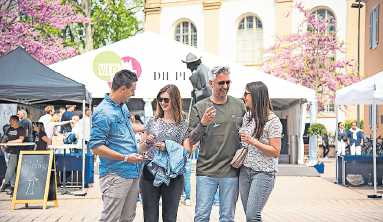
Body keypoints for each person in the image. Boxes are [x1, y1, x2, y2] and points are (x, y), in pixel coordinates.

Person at [188, 66, 246, 222]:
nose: (225, 86)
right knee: (201, 216)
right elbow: (191, 140)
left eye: (228, 82)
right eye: (221, 83)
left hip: (231, 172)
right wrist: (203, 123)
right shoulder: (200, 107)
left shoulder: (239, 105)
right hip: (206, 172)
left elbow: (248, 132)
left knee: (227, 217)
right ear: (211, 83)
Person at [88, 69, 143, 222]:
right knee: (110, 219)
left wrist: (147, 128)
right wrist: (125, 157)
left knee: (128, 218)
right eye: (132, 90)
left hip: (132, 172)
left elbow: (128, 127)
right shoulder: (103, 112)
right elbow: (96, 147)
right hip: (115, 174)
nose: (133, 94)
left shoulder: (122, 107)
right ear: (123, 89)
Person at [139, 84, 191, 222]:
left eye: (166, 99)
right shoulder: (152, 121)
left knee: (170, 217)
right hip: (150, 171)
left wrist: (168, 146)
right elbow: (141, 149)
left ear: (174, 100)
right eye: (160, 99)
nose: (162, 102)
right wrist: (147, 143)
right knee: (149, 217)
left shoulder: (183, 124)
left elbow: (187, 151)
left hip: (173, 174)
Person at [239, 81, 282, 222]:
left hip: (263, 173)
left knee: (252, 215)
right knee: (249, 215)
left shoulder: (273, 121)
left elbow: (275, 151)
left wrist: (253, 141)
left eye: (246, 93)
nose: (244, 96)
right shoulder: (248, 116)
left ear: (256, 96)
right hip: (245, 171)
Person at [0, 115, 26, 195]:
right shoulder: (9, 129)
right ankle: (12, 186)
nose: (9, 122)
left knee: (10, 169)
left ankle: (5, 182)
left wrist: (9, 143)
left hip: (15, 152)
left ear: (16, 121)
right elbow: (5, 137)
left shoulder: (21, 129)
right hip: (7, 151)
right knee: (10, 170)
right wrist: (2, 144)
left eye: (11, 121)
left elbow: (21, 140)